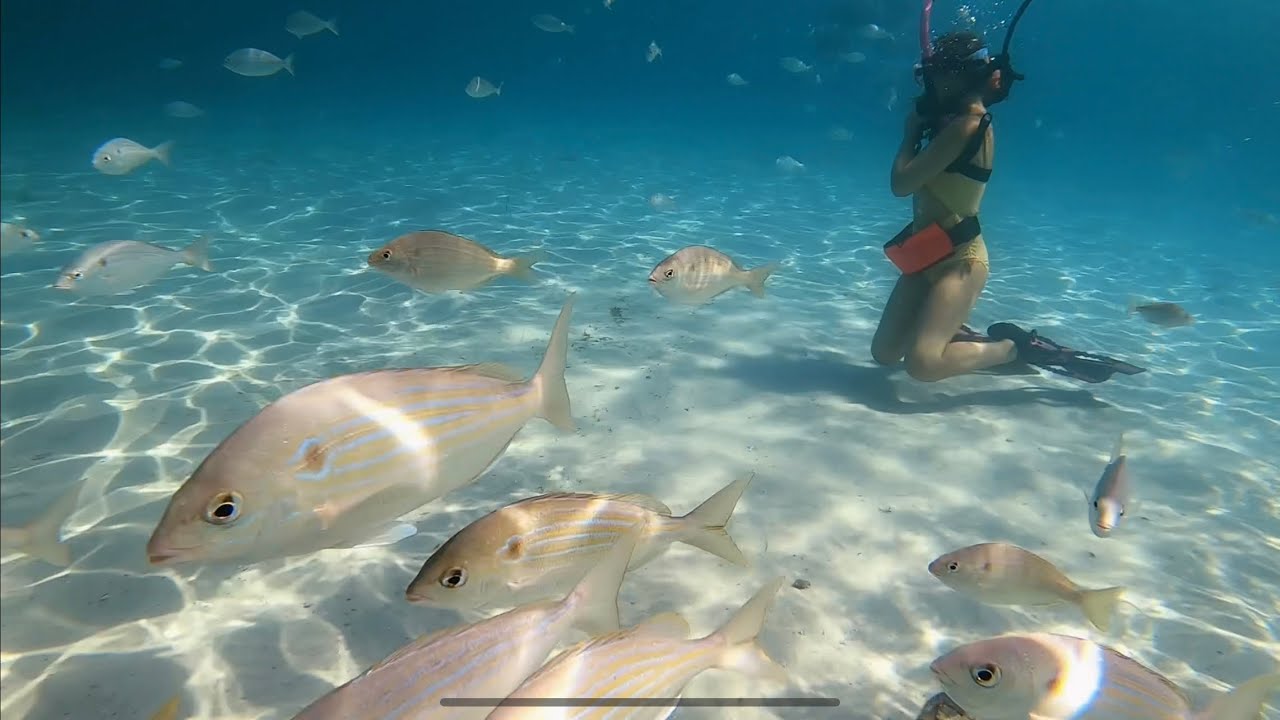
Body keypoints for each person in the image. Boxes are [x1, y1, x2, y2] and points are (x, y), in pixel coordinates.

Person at [870, 28, 1145, 385]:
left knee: (922, 365)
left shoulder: (967, 126)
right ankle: (949, 329)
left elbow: (901, 185)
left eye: (938, 75)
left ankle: (1014, 348)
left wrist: (910, 134)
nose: (932, 85)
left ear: (960, 76)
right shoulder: (951, 123)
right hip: (927, 254)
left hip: (960, 260)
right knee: (885, 354)